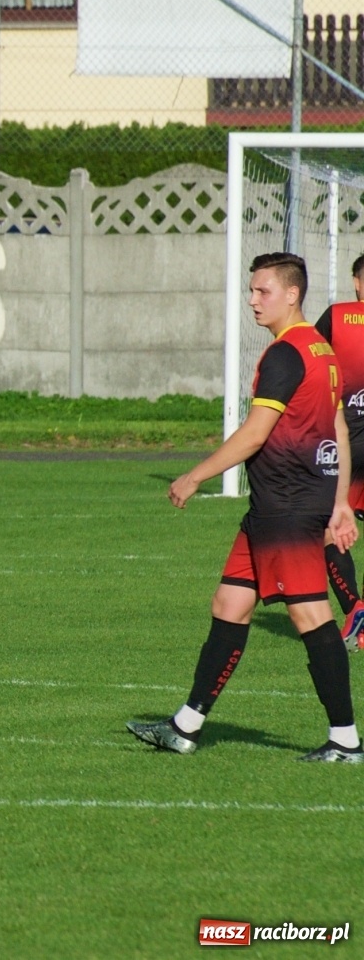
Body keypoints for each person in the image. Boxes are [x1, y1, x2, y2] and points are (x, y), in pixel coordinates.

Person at [127, 252, 362, 762]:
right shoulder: (321, 349)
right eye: (251, 291)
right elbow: (339, 429)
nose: (253, 301)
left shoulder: (285, 355)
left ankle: (345, 739)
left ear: (292, 294)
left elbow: (256, 433)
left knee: (310, 616)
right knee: (229, 605)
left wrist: (194, 476)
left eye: (263, 292)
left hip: (288, 507)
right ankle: (184, 727)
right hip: (280, 506)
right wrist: (341, 501)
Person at [313, 253, 364, 648]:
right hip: (346, 439)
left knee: (332, 528)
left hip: (345, 440)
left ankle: (354, 608)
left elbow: (308, 363)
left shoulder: (338, 316)